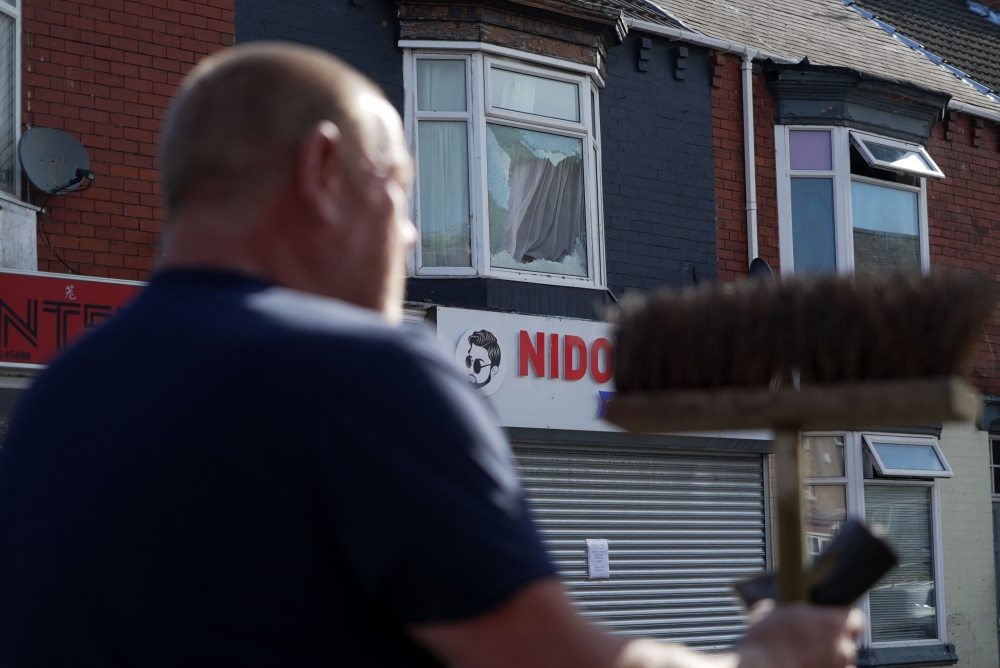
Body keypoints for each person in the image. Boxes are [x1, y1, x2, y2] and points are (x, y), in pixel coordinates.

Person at [0, 43, 863, 668]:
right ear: (322, 167)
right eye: (402, 192)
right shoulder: (362, 374)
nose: (410, 234)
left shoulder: (54, 401)